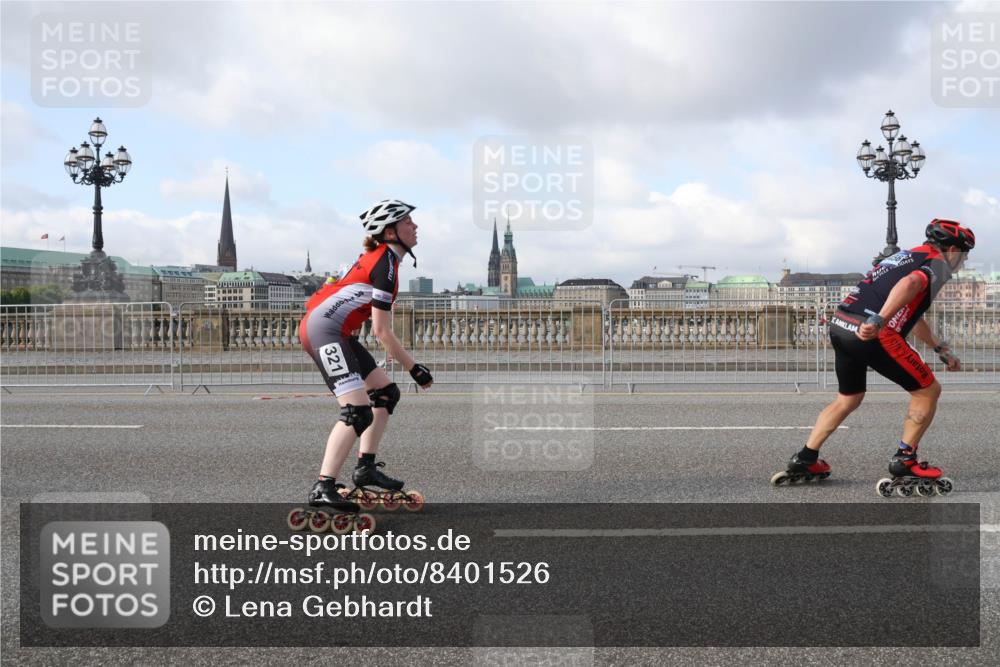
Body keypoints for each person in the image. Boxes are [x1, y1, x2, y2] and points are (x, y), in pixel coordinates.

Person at [772, 219, 976, 489]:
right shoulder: (938, 263)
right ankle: (905, 460)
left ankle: (806, 458)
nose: (963, 261)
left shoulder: (906, 256)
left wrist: (939, 347)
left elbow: (911, 314)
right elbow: (911, 284)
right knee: (927, 391)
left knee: (848, 398)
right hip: (873, 332)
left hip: (842, 324)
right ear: (952, 250)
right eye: (964, 254)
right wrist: (880, 320)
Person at [299, 199, 434, 514]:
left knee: (386, 394)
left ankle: (365, 468)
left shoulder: (383, 258)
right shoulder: (385, 264)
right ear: (390, 232)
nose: (415, 227)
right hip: (324, 332)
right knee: (357, 412)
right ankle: (324, 486)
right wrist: (416, 369)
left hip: (335, 331)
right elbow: (381, 331)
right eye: (408, 222)